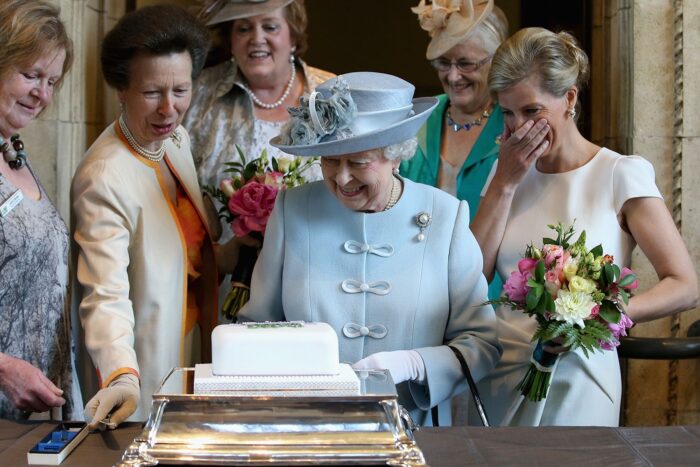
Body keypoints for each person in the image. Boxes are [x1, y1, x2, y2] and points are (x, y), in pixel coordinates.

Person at [238, 72, 501, 426]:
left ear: (396, 156)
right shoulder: (293, 210)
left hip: (412, 429)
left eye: (358, 162)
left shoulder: (445, 217)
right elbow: (258, 327)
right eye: (330, 160)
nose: (342, 178)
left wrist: (416, 364)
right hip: (309, 428)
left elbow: (482, 342)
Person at [471, 27, 699, 426]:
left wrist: (602, 316)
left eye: (531, 111)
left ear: (569, 99)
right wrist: (505, 182)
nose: (519, 128)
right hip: (504, 372)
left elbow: (684, 285)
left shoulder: (619, 174)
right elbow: (472, 276)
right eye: (507, 113)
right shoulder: (502, 172)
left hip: (582, 376)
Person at [72, 5, 242, 429]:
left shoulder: (174, 140)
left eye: (181, 90)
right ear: (122, 91)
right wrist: (120, 374)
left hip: (192, 338)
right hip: (147, 353)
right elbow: (103, 291)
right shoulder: (103, 177)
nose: (169, 109)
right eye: (152, 93)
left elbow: (186, 245)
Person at [185, 0, 334, 241]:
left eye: (270, 27)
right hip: (219, 270)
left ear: (293, 38)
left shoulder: (331, 96)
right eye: (243, 29)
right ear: (231, 41)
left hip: (311, 268)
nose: (256, 38)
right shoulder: (197, 93)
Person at [0, 0, 78, 421]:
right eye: (30, 75)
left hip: (26, 416)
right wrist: (3, 369)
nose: (42, 94)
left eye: (52, 80)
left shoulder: (12, 149)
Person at [403, 0, 508, 300]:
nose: (452, 76)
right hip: (418, 291)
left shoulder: (511, 123)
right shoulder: (417, 120)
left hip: (492, 297)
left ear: (494, 60)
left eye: (466, 64)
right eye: (443, 63)